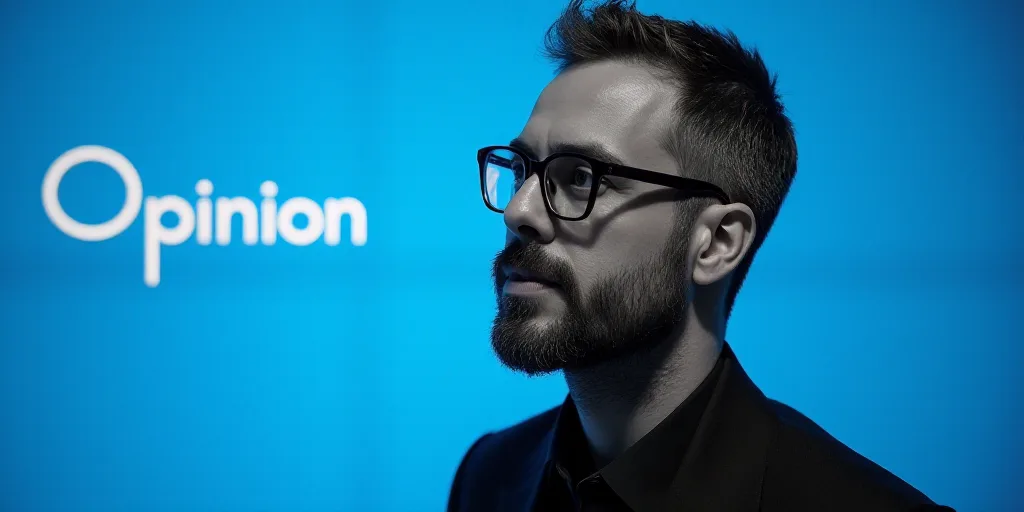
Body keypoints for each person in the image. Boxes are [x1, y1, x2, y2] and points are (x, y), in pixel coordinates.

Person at [447, 1, 954, 511]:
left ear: (717, 243)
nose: (518, 210)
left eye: (580, 177)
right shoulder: (490, 477)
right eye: (522, 170)